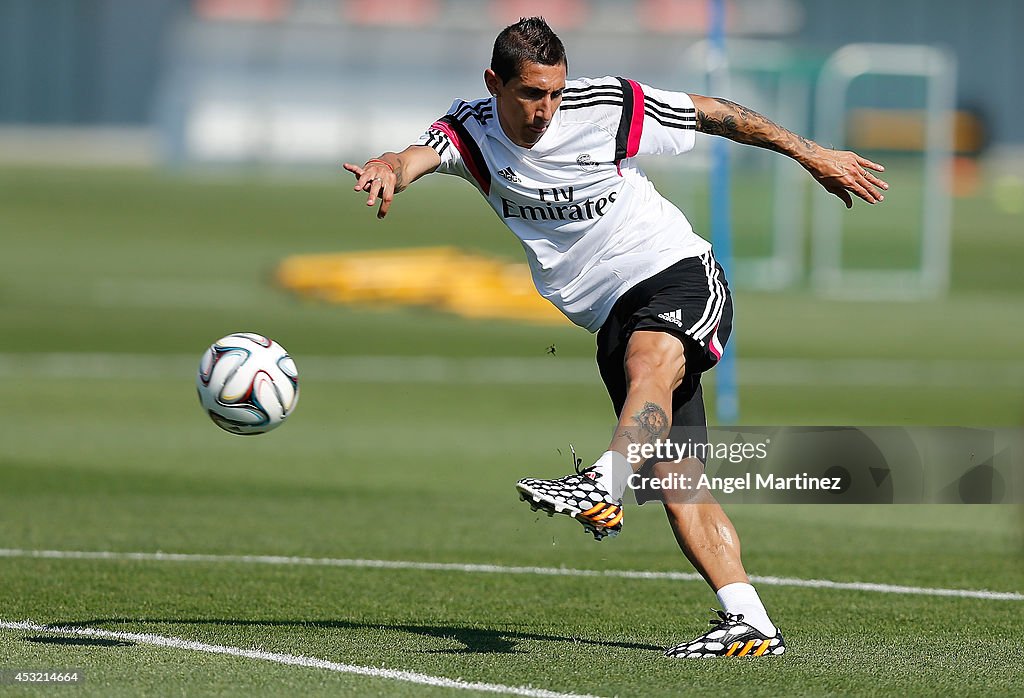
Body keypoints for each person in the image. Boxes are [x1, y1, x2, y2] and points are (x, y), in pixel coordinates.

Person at [344, 17, 887, 658]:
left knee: (648, 361)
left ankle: (604, 478)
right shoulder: (471, 132)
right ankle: (751, 621)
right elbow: (417, 158)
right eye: (529, 94)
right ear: (494, 83)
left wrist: (812, 153)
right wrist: (389, 167)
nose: (545, 109)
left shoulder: (604, 106)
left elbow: (714, 112)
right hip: (608, 313)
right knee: (680, 486)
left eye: (553, 92)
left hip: (676, 273)